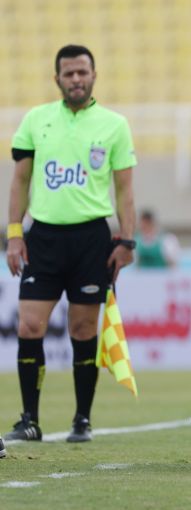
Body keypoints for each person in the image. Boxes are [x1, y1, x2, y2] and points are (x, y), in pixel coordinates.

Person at [5, 45, 137, 444]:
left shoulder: (114, 125)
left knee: (82, 330)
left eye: (82, 72)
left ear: (94, 75)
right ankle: (29, 419)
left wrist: (127, 239)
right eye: (69, 73)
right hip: (43, 237)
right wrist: (14, 234)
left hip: (91, 239)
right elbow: (20, 181)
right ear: (57, 79)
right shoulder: (36, 120)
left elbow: (124, 190)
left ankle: (82, 419)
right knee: (29, 325)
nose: (76, 79)